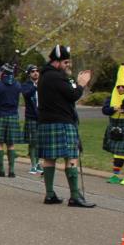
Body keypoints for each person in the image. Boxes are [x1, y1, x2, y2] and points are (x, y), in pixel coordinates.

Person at [37, 44, 94, 207]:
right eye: (65, 62)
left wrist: (74, 82)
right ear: (56, 61)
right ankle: (74, 196)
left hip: (46, 122)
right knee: (71, 157)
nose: (68, 65)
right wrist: (81, 84)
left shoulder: (44, 76)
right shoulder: (56, 77)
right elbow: (73, 95)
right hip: (62, 122)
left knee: (49, 158)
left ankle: (50, 195)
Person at [21, 65, 42, 174]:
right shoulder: (26, 85)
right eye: (33, 71)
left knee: (40, 142)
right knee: (33, 141)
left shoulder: (43, 84)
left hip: (42, 117)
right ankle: (33, 164)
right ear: (29, 74)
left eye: (37, 71)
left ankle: (38, 163)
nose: (35, 73)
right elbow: (27, 94)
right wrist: (35, 86)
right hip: (31, 117)